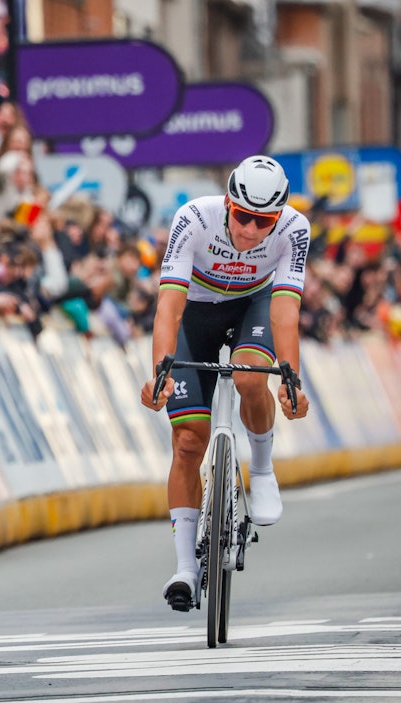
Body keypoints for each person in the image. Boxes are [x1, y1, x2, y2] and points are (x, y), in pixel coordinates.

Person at [139, 155, 311, 612]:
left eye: (264, 221)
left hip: (254, 305)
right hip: (195, 312)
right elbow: (169, 306)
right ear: (229, 204)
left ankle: (262, 468)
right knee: (187, 443)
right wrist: (160, 370)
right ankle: (185, 570)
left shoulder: (295, 229)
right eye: (244, 217)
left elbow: (286, 310)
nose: (252, 230)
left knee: (251, 374)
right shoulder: (195, 217)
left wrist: (290, 378)